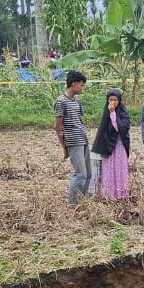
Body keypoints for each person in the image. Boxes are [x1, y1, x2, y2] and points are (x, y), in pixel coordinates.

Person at [54, 71, 90, 207]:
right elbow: (58, 126)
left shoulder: (76, 101)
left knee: (88, 174)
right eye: (81, 85)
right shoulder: (61, 101)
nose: (82, 88)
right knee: (80, 174)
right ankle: (72, 205)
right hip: (74, 141)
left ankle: (83, 201)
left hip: (83, 139)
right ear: (73, 84)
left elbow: (79, 121)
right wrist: (64, 146)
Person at [92, 88, 131, 201]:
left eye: (115, 100)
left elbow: (120, 128)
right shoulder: (105, 113)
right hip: (108, 148)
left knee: (120, 171)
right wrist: (101, 149)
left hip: (120, 146)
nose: (113, 102)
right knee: (109, 171)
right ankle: (109, 196)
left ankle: (121, 196)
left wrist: (113, 113)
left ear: (119, 101)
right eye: (111, 100)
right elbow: (101, 132)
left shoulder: (123, 112)